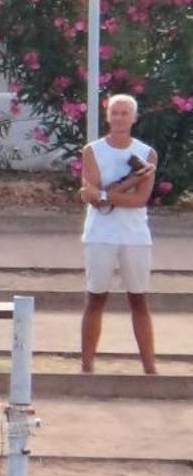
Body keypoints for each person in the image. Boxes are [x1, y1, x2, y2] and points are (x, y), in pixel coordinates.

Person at [78, 93, 158, 376]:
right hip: (100, 234)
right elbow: (92, 195)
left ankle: (149, 367)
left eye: (125, 113)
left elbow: (139, 200)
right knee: (95, 298)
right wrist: (131, 182)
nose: (120, 118)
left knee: (139, 299)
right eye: (115, 113)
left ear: (134, 118)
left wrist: (104, 194)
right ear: (108, 116)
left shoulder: (146, 153)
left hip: (134, 235)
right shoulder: (92, 150)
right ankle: (87, 366)